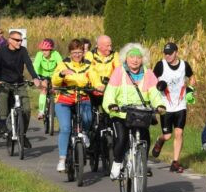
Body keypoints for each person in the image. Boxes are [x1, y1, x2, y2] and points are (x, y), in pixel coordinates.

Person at [103, 43, 164, 180]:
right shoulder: (119, 72)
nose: (135, 60)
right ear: (126, 58)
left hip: (141, 113)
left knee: (146, 139)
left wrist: (159, 105)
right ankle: (117, 164)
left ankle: (141, 162)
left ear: (143, 59)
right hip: (121, 113)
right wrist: (111, 105)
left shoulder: (148, 73)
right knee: (122, 139)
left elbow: (154, 93)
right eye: (132, 57)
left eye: (138, 57)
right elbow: (110, 92)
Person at [51, 39, 99, 172]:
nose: (77, 55)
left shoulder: (89, 65)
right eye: (74, 52)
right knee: (65, 128)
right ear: (70, 53)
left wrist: (99, 86)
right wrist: (61, 75)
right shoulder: (64, 64)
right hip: (64, 99)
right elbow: (54, 79)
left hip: (82, 98)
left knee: (88, 119)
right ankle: (62, 159)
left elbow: (94, 77)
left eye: (79, 52)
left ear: (84, 52)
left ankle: (83, 133)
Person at [0, 30, 41, 148]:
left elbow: (29, 64)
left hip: (19, 83)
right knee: (3, 96)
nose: (20, 42)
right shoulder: (1, 50)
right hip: (5, 83)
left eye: (21, 40)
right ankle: (3, 123)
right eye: (17, 40)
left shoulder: (22, 51)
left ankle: (22, 134)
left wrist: (35, 77)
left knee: (27, 109)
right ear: (10, 40)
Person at [151, 42, 196, 173]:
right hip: (165, 105)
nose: (168, 56)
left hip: (180, 104)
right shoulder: (161, 65)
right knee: (167, 135)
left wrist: (190, 89)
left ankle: (175, 162)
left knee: (179, 132)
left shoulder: (184, 65)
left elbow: (192, 77)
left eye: (170, 53)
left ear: (176, 52)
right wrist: (158, 85)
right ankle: (160, 141)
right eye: (166, 53)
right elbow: (151, 80)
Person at [33, 38, 64, 122]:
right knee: (44, 88)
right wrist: (36, 77)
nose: (44, 52)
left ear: (51, 50)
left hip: (54, 75)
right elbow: (35, 66)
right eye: (43, 50)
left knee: (56, 89)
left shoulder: (56, 54)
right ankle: (41, 111)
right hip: (43, 75)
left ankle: (59, 110)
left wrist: (61, 74)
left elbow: (61, 65)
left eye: (46, 50)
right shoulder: (39, 55)